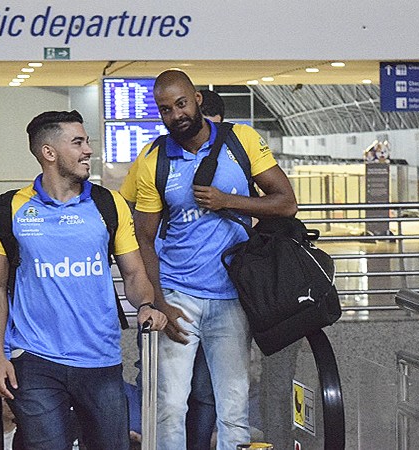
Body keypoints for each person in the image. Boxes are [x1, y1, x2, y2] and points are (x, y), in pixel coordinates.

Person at [0, 110, 167, 450]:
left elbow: (135, 272)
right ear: (48, 153)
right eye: (78, 142)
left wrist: (146, 304)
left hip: (100, 358)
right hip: (34, 359)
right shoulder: (10, 208)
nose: (88, 150)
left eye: (87, 141)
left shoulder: (108, 204)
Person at [132, 70, 297, 450]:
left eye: (181, 103)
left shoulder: (242, 141)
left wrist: (228, 201)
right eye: (165, 109)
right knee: (169, 407)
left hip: (233, 295)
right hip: (178, 295)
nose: (176, 114)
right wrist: (159, 302)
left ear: (199, 100)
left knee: (233, 407)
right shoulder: (153, 160)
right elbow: (144, 238)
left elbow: (285, 203)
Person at [119, 88, 226, 449]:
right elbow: (124, 216)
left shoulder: (232, 155)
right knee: (162, 389)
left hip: (220, 294)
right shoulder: (155, 158)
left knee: (208, 391)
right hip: (167, 287)